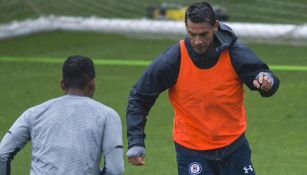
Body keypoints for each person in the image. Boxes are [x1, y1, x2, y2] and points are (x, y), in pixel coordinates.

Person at [126, 1, 279, 175]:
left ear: (215, 26)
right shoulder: (173, 59)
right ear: (186, 28)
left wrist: (267, 82)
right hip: (192, 152)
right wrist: (135, 142)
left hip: (235, 148)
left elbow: (263, 75)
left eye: (203, 34)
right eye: (192, 34)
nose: (197, 41)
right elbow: (139, 97)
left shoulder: (234, 53)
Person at [0, 55, 124, 175]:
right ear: (92, 84)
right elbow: (115, 170)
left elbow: (2, 154)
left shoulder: (34, 113)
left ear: (62, 84)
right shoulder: (108, 115)